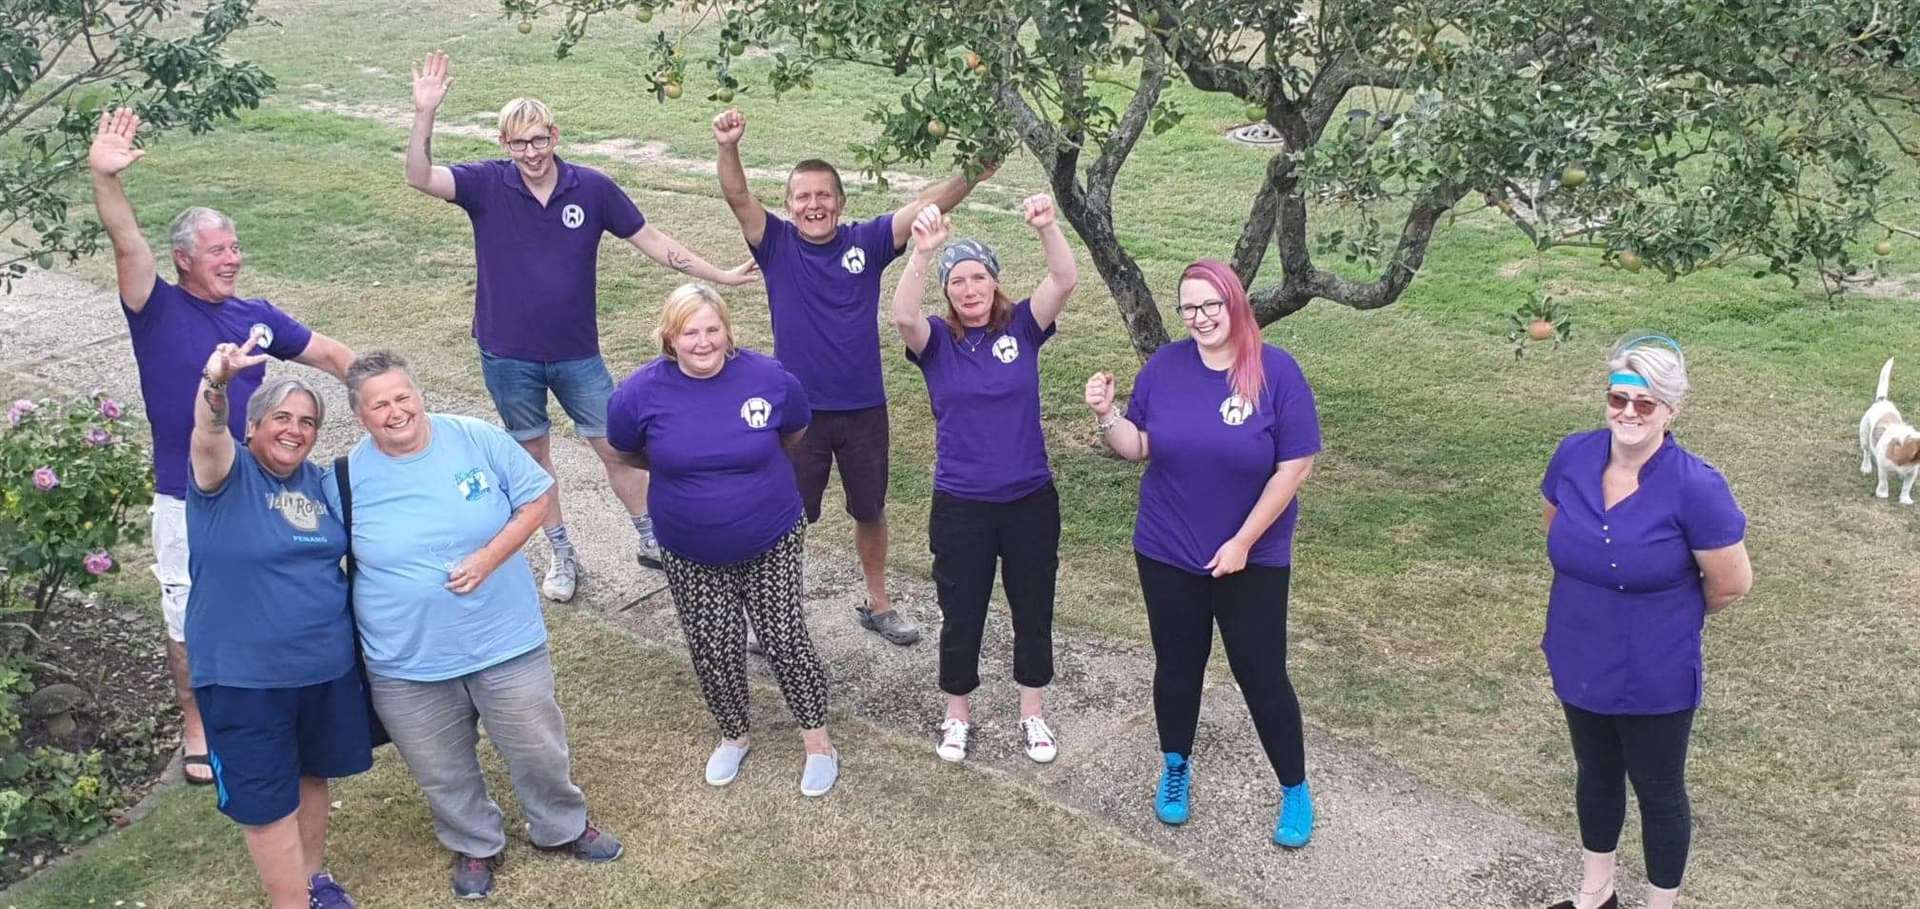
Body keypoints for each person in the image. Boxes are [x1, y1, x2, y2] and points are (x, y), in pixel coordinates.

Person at [404, 50, 755, 600]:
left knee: (613, 448)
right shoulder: (486, 185)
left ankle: (650, 537)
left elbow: (655, 243)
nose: (531, 153)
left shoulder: (592, 189)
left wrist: (722, 277)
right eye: (519, 143)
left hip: (575, 353)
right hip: (507, 352)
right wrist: (424, 113)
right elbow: (420, 176)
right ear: (504, 145)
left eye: (539, 139)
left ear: (555, 135)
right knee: (533, 458)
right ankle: (562, 553)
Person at [88, 108, 356, 788]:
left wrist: (386, 396)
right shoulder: (155, 306)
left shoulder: (256, 318)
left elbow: (327, 353)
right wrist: (105, 177)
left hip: (259, 487)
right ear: (185, 259)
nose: (232, 258)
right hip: (184, 491)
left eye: (235, 247)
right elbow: (125, 243)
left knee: (277, 586)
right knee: (186, 605)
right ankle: (197, 724)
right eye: (217, 250)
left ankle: (278, 699)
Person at [329, 351, 622, 901]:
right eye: (379, 405)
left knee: (537, 743)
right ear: (359, 415)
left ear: (420, 395)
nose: (396, 412)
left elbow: (536, 496)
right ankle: (474, 843)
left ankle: (560, 824)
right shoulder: (344, 478)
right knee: (439, 766)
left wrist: (490, 556)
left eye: (402, 397)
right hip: (405, 657)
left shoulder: (474, 437)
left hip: (502, 638)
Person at [713, 106, 995, 646]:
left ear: (840, 203)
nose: (813, 205)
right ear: (791, 204)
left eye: (824, 196)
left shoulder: (864, 243)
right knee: (787, 517)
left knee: (870, 509)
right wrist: (729, 147)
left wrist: (973, 171)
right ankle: (777, 610)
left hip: (864, 407)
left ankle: (878, 603)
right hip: (797, 413)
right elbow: (738, 198)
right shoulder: (775, 243)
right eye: (803, 196)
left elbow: (922, 208)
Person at [1083, 260, 1321, 848]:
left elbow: (1296, 464)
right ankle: (1174, 768)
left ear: (1235, 303)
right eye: (1190, 307)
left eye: (1211, 304)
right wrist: (1107, 415)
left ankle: (1294, 787)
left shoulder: (1275, 371)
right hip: (1167, 549)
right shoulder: (1165, 368)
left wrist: (1242, 541)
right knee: (1178, 665)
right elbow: (1137, 447)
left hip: (1252, 558)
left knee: (1261, 673)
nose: (1201, 317)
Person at [1538, 335, 1751, 909]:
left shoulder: (1697, 487)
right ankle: (1594, 895)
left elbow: (1731, 583)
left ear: (1671, 411)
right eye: (1618, 398)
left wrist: (1664, 615)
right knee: (1595, 774)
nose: (1628, 412)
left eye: (1645, 403)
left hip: (1656, 670)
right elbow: (1555, 528)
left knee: (1658, 791)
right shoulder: (1572, 456)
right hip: (1578, 650)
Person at [606, 284, 840, 796]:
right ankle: (734, 736)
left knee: (782, 634)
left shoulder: (768, 378)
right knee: (713, 644)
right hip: (688, 548)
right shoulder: (638, 393)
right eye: (690, 331)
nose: (703, 341)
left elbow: (793, 432)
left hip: (771, 535)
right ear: (670, 336)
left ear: (728, 331)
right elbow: (625, 453)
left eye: (712, 329)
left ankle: (817, 742)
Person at [887, 199, 1076, 764]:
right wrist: (923, 255)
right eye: (958, 281)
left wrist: (1046, 227)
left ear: (995, 283)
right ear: (947, 291)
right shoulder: (937, 343)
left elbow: (1064, 279)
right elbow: (901, 316)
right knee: (961, 609)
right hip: (961, 505)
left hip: (1029, 501)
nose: (969, 290)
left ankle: (1032, 713)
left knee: (1033, 606)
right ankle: (957, 715)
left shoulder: (1023, 327)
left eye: (979, 278)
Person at [184, 339, 369, 909]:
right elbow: (208, 431)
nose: (295, 430)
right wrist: (216, 384)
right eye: (281, 419)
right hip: (245, 677)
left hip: (324, 669)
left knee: (313, 775)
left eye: (307, 422)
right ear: (254, 426)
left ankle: (313, 880)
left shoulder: (320, 484)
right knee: (265, 799)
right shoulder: (225, 475)